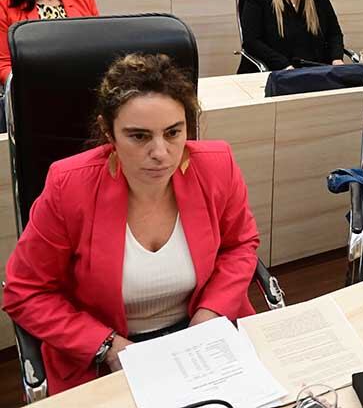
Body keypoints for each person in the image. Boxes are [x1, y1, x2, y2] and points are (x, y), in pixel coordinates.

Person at [2, 53, 260, 394]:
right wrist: (106, 346)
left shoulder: (216, 166)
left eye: (173, 132)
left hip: (204, 336)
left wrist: (211, 313)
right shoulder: (70, 186)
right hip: (109, 355)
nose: (161, 152)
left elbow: (240, 245)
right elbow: (25, 291)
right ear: (108, 132)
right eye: (139, 136)